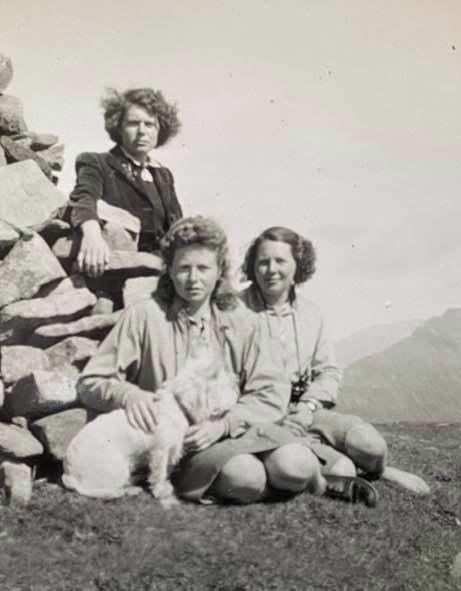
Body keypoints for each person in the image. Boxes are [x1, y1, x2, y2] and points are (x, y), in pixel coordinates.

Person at [78, 216, 319, 504]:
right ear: (169, 271)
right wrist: (128, 394)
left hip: (236, 429)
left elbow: (271, 392)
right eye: (183, 268)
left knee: (296, 464)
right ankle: (259, 483)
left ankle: (302, 476)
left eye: (203, 268)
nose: (193, 279)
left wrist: (225, 425)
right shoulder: (144, 316)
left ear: (220, 271)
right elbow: (91, 381)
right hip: (180, 445)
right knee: (246, 477)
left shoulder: (241, 320)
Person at [239, 226, 389, 503]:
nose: (271, 269)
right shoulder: (235, 311)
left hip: (307, 412)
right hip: (261, 416)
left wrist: (308, 408)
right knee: (332, 467)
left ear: (298, 266)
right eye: (263, 261)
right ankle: (331, 470)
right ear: (252, 266)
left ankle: (375, 471)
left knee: (371, 445)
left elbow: (328, 372)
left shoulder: (311, 313)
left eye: (280, 261)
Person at [67, 88, 184, 283]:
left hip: (159, 274)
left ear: (160, 130)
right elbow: (84, 199)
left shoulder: (163, 175)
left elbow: (177, 226)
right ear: (118, 127)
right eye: (133, 123)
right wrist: (92, 236)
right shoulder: (96, 162)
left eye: (149, 124)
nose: (142, 131)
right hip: (114, 270)